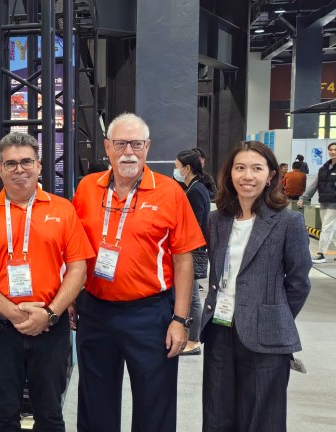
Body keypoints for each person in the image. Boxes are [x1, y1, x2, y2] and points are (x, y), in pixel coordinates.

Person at [71, 113, 206, 432]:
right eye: (120, 144)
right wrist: (72, 296)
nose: (128, 152)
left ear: (147, 147)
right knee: (95, 402)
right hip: (95, 311)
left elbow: (183, 260)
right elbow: (74, 249)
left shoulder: (170, 192)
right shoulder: (87, 188)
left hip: (150, 314)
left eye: (136, 144)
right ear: (107, 147)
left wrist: (181, 319)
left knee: (153, 403)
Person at [0, 132, 95, 431]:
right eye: (10, 163)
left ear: (39, 165)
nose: (19, 169)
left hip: (51, 327)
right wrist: (14, 313)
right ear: (0, 169)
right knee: (4, 414)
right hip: (0, 328)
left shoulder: (63, 210)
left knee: (50, 414)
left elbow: (78, 270)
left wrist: (49, 313)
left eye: (26, 162)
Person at [201, 141, 312, 432]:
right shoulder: (216, 220)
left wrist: (273, 314)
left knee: (263, 419)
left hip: (267, 335)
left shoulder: (288, 221)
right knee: (217, 416)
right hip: (220, 329)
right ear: (230, 173)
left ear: (271, 175)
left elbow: (299, 282)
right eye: (240, 168)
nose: (247, 176)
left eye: (256, 168)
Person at [175, 149, 214, 356]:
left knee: (192, 296)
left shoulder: (196, 190)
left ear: (187, 168)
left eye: (177, 167)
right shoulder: (194, 188)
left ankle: (193, 340)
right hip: (192, 247)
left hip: (193, 249)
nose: (175, 170)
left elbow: (195, 223)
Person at [299, 142, 336, 264]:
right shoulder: (323, 168)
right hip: (324, 202)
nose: (333, 152)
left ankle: (321, 254)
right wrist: (303, 198)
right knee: (333, 227)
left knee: (326, 228)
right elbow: (314, 185)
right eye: (331, 149)